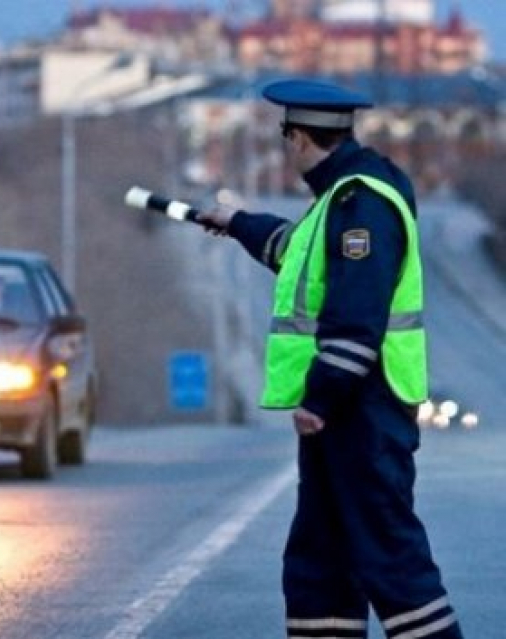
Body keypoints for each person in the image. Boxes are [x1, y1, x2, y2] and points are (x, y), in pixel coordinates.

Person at [198, 79, 463, 639]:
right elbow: (298, 255)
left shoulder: (360, 201)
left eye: (284, 137)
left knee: (389, 557)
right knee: (321, 559)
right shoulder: (342, 198)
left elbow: (356, 311)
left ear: (296, 138)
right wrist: (238, 222)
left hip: (362, 408)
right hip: (351, 411)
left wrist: (320, 398)